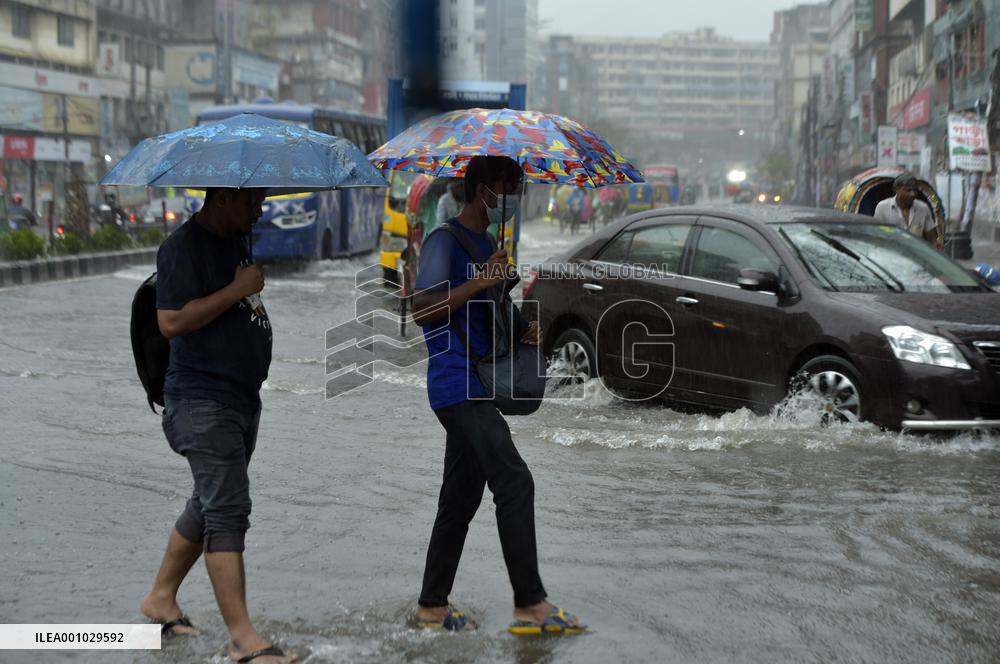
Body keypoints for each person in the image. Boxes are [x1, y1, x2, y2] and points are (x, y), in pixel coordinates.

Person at [409, 155, 586, 636]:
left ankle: (431, 606)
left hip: (481, 383)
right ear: (484, 190)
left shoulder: (487, 243)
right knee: (515, 481)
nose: (513, 200)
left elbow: (488, 315)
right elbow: (422, 310)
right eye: (509, 189)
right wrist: (481, 280)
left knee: (459, 500)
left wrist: (523, 326)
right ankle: (529, 605)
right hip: (456, 384)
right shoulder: (444, 241)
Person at [141, 187, 296, 664]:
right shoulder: (182, 247)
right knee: (228, 510)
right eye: (253, 202)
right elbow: (170, 321)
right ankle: (242, 639)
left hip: (238, 398)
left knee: (207, 504)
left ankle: (160, 599)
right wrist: (238, 289)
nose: (260, 210)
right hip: (200, 401)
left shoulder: (236, 241)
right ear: (224, 197)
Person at [873, 173, 939, 247]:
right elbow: (877, 237)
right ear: (896, 189)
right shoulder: (882, 207)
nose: (912, 194)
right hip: (891, 254)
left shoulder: (923, 208)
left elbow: (932, 238)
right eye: (908, 190)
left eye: (915, 190)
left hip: (915, 255)